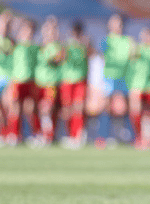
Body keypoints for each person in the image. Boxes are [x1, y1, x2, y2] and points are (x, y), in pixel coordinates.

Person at [128, 26, 150, 149]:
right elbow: (131, 58)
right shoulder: (138, 49)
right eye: (144, 35)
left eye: (149, 35)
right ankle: (139, 137)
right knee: (136, 111)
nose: (146, 38)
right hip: (138, 85)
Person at [5, 17, 40, 145]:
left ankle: (36, 134)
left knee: (31, 108)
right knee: (15, 108)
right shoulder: (15, 44)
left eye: (30, 30)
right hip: (17, 80)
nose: (28, 32)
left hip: (31, 81)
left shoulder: (36, 47)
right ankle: (14, 134)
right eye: (26, 29)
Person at [101, 13, 134, 144]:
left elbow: (131, 57)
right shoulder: (106, 41)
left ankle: (131, 137)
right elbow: (104, 57)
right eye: (114, 22)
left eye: (119, 23)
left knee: (127, 106)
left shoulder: (128, 40)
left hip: (125, 77)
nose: (117, 25)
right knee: (106, 106)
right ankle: (102, 137)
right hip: (110, 77)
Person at [59, 21, 91, 149]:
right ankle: (71, 135)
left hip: (80, 80)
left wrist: (85, 45)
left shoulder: (85, 44)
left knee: (78, 107)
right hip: (67, 80)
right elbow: (60, 58)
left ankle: (78, 135)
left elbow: (92, 55)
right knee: (67, 110)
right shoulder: (66, 45)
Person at [34, 16, 64, 146]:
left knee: (46, 109)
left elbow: (58, 60)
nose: (49, 32)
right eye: (47, 29)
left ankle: (47, 136)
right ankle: (41, 134)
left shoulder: (57, 47)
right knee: (35, 109)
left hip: (50, 83)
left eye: (52, 29)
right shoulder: (39, 46)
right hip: (38, 82)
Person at [0, 10, 15, 143]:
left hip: (8, 78)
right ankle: (3, 133)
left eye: (7, 23)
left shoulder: (13, 41)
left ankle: (10, 134)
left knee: (8, 107)